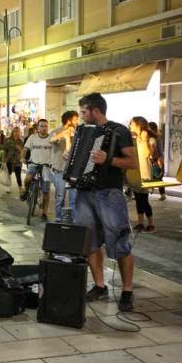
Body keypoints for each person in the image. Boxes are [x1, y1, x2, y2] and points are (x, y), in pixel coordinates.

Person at [77, 93, 137, 312]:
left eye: (84, 112)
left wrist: (108, 160)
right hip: (84, 192)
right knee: (89, 242)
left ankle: (127, 291)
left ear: (95, 111)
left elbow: (132, 163)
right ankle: (100, 286)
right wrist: (71, 159)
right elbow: (81, 158)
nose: (82, 116)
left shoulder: (119, 131)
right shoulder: (84, 131)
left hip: (109, 193)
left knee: (119, 241)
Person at [21, 119, 52, 221]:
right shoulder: (32, 137)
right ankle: (26, 191)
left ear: (48, 127)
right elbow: (25, 149)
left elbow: (56, 152)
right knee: (27, 179)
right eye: (42, 126)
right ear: (38, 128)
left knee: (46, 192)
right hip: (34, 163)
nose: (44, 128)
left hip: (46, 166)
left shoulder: (52, 138)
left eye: (45, 126)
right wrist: (23, 158)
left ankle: (44, 213)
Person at [49, 111, 78, 221]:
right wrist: (65, 133)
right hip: (60, 169)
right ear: (69, 120)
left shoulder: (77, 132)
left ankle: (73, 219)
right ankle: (59, 218)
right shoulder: (56, 132)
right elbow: (51, 140)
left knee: (74, 198)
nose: (77, 122)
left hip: (73, 170)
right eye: (75, 119)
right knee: (60, 196)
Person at [129, 117, 156, 233]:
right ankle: (140, 223)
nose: (130, 126)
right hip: (136, 173)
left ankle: (151, 224)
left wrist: (144, 139)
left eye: (132, 124)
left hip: (145, 173)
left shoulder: (150, 139)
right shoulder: (134, 139)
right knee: (138, 199)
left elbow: (146, 154)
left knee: (144, 200)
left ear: (139, 125)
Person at [2, 127, 24, 194]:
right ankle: (8, 187)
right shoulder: (7, 140)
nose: (16, 133)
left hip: (17, 160)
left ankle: (20, 188)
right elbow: (5, 150)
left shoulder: (21, 141)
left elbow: (23, 152)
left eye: (18, 132)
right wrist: (3, 160)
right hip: (9, 159)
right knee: (8, 174)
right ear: (12, 132)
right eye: (15, 131)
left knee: (18, 175)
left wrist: (19, 149)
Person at [148, 122, 166, 201]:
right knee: (157, 177)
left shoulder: (154, 138)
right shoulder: (158, 137)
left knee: (157, 176)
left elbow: (156, 151)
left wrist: (154, 158)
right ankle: (162, 194)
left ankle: (162, 194)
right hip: (158, 158)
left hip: (156, 159)